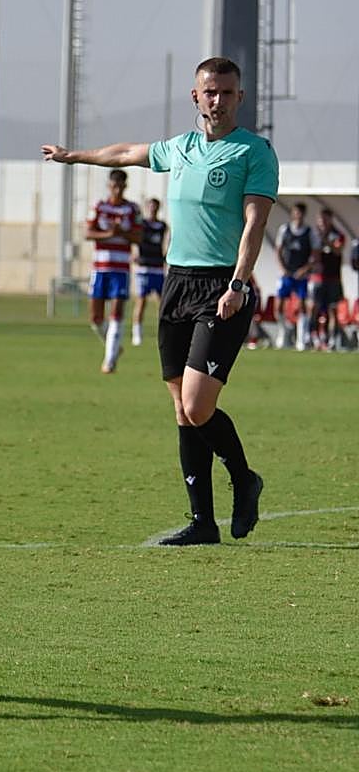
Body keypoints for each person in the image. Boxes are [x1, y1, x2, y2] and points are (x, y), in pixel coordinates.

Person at [42, 56, 277, 546]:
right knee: (179, 406)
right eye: (210, 92)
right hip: (177, 282)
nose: (218, 100)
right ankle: (202, 523)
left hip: (221, 288)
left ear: (240, 97)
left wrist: (238, 283)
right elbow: (126, 152)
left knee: (197, 403)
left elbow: (254, 225)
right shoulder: (182, 148)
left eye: (228, 92)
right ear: (196, 96)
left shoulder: (254, 152)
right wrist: (74, 156)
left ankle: (244, 479)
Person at [85, 169, 142, 372]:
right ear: (109, 185)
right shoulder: (99, 207)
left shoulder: (132, 209)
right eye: (114, 186)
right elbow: (87, 233)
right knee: (95, 318)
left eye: (121, 186)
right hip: (100, 268)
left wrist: (123, 232)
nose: (117, 190)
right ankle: (115, 347)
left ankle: (109, 360)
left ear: (125, 186)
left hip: (121, 269)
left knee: (117, 312)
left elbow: (139, 237)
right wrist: (110, 232)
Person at [274, 202, 315, 350]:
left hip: (301, 275)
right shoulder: (284, 230)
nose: (297, 215)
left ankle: (301, 339)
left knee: (302, 305)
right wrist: (282, 268)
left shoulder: (309, 232)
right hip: (286, 273)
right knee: (278, 305)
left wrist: (305, 269)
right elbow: (278, 250)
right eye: (295, 212)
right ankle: (282, 334)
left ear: (304, 214)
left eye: (300, 212)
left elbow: (315, 255)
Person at [308, 208, 347, 350]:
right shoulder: (312, 235)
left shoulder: (338, 235)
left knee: (332, 310)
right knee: (313, 308)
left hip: (333, 278)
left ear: (331, 219)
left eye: (325, 219)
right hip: (317, 279)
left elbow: (338, 250)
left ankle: (332, 341)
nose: (322, 222)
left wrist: (325, 240)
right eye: (320, 219)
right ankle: (313, 339)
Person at [132, 198, 168, 346]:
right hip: (144, 267)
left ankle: (163, 332)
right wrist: (134, 254)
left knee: (162, 303)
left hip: (158, 267)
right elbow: (135, 240)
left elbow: (166, 242)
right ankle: (137, 333)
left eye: (155, 206)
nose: (153, 208)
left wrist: (166, 256)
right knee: (141, 301)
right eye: (150, 206)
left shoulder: (162, 226)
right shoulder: (142, 224)